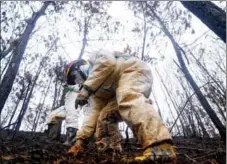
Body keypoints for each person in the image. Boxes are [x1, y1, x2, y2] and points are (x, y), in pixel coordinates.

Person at [67, 49, 176, 163]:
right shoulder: (95, 92)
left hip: (133, 70)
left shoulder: (94, 57)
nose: (77, 81)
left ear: (79, 67)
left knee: (127, 96)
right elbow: (92, 114)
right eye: (75, 81)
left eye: (75, 77)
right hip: (119, 91)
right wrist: (80, 141)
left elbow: (107, 62)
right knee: (104, 116)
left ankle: (160, 148)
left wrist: (86, 89)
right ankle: (111, 152)